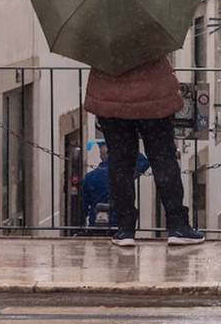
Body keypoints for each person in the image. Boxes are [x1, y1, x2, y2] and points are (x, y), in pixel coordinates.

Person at [84, 57, 204, 247]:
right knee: (163, 159)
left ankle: (124, 228)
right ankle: (177, 225)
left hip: (111, 97)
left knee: (120, 162)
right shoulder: (151, 32)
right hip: (153, 97)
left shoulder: (102, 35)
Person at [82, 140, 149, 229]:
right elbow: (144, 162)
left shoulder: (89, 177)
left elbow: (84, 204)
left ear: (101, 156)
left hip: (96, 220)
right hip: (119, 220)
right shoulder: (123, 174)